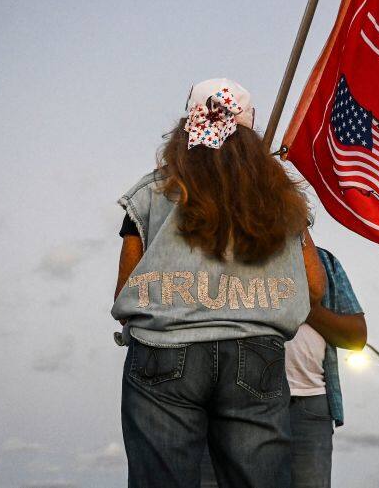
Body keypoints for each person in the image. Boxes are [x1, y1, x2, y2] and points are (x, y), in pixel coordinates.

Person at [113, 78, 326, 488]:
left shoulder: (152, 191)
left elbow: (127, 284)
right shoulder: (278, 198)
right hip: (255, 356)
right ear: (251, 128)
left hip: (163, 352)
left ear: (186, 124)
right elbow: (314, 286)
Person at [200, 245, 367, 488]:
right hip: (234, 399)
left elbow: (356, 336)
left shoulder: (324, 262)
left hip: (309, 403)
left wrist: (301, 301)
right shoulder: (226, 251)